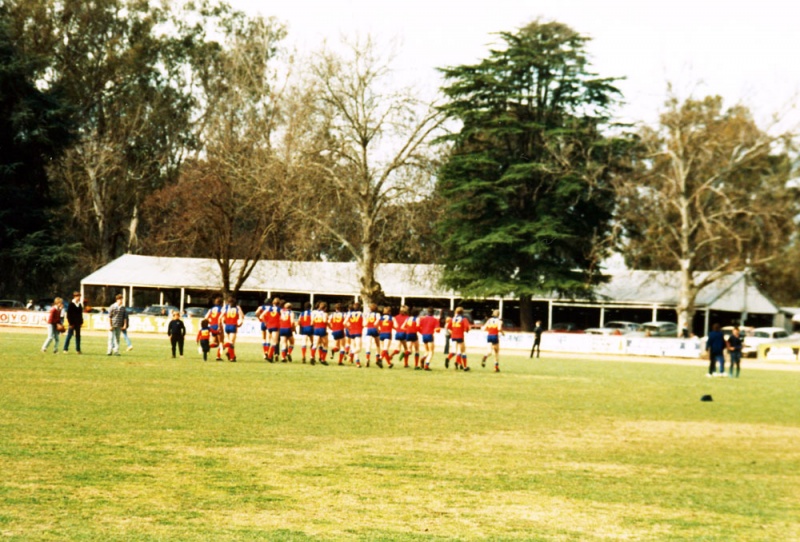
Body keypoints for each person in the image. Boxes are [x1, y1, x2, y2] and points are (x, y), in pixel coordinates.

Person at [445, 306, 470, 371]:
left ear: (456, 312)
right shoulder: (464, 319)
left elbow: (448, 327)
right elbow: (467, 327)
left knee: (454, 350)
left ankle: (448, 358)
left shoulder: (452, 319)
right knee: (463, 351)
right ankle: (465, 367)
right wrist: (467, 330)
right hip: (460, 336)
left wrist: (452, 332)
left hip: (453, 336)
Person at [221, 296, 244, 362]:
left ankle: (231, 355)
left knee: (230, 342)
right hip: (233, 326)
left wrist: (223, 321)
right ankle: (225, 348)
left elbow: (222, 316)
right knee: (231, 342)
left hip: (227, 326)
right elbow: (241, 316)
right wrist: (240, 322)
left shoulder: (225, 307)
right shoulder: (237, 307)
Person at [205, 296, 224, 361]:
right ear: (221, 303)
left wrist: (210, 321)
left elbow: (206, 317)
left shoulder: (211, 309)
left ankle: (207, 347)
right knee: (221, 342)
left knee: (215, 343)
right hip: (218, 326)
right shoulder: (221, 309)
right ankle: (218, 357)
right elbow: (222, 318)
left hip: (212, 326)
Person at [346, 302, 364, 367]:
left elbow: (344, 323)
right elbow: (364, 323)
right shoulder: (361, 314)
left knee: (353, 347)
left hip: (351, 332)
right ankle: (351, 354)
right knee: (358, 348)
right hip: (358, 331)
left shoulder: (350, 314)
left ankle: (357, 363)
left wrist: (349, 327)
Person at [364, 302, 381, 367]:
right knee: (377, 345)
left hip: (369, 329)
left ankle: (367, 359)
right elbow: (376, 323)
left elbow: (365, 323)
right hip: (374, 329)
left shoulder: (367, 314)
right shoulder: (377, 314)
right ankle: (377, 359)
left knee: (368, 345)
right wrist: (378, 329)